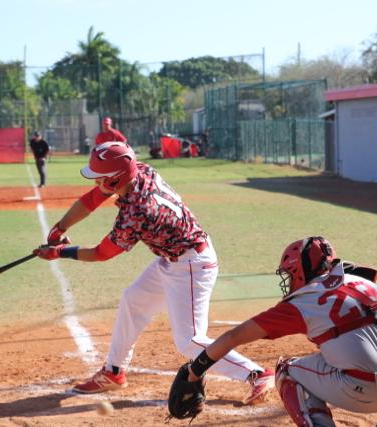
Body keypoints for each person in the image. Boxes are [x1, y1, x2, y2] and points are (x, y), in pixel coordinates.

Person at [34, 141, 275, 404]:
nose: (96, 183)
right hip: (172, 259)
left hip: (192, 265)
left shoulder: (137, 212)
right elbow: (94, 198)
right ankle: (114, 372)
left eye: (101, 178)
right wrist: (60, 228)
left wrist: (61, 253)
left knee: (190, 341)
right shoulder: (139, 171)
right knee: (133, 300)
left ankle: (257, 374)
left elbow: (102, 253)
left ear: (115, 181)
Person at [178, 237, 377, 426]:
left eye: (289, 273)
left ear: (299, 271)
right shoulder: (362, 282)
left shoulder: (303, 301)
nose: (288, 280)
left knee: (287, 370)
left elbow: (235, 337)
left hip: (361, 390)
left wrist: (195, 370)